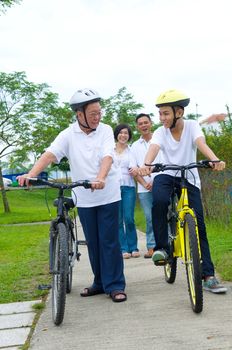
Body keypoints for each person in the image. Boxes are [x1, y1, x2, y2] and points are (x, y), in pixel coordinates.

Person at [17, 88, 127, 302]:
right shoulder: (68, 134)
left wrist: (101, 177)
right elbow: (50, 154)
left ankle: (115, 285)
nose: (97, 117)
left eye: (99, 112)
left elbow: (107, 156)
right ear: (79, 114)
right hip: (84, 197)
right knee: (93, 243)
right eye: (93, 113)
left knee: (109, 241)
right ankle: (100, 282)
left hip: (107, 193)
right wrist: (31, 174)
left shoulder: (104, 130)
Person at [138, 89, 227, 294]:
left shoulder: (192, 126)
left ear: (179, 112)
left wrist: (214, 160)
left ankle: (208, 276)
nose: (162, 118)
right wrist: (146, 164)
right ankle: (162, 248)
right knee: (159, 201)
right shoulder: (160, 131)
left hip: (189, 176)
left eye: (166, 113)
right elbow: (154, 148)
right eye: (160, 114)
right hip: (165, 173)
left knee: (199, 224)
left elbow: (200, 143)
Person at [130, 113, 159, 258]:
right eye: (140, 123)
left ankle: (166, 245)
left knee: (164, 215)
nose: (143, 125)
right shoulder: (134, 146)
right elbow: (133, 168)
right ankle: (152, 246)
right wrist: (145, 183)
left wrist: (154, 181)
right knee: (149, 217)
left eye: (146, 122)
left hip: (161, 183)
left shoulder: (160, 139)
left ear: (151, 123)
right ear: (137, 127)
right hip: (143, 188)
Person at [114, 123, 140, 259]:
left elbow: (133, 166)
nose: (123, 135)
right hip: (113, 189)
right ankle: (123, 248)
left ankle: (133, 247)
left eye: (126, 133)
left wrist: (135, 169)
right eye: (121, 132)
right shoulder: (109, 150)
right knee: (117, 220)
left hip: (128, 187)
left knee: (129, 218)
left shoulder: (131, 151)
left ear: (129, 136)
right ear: (117, 134)